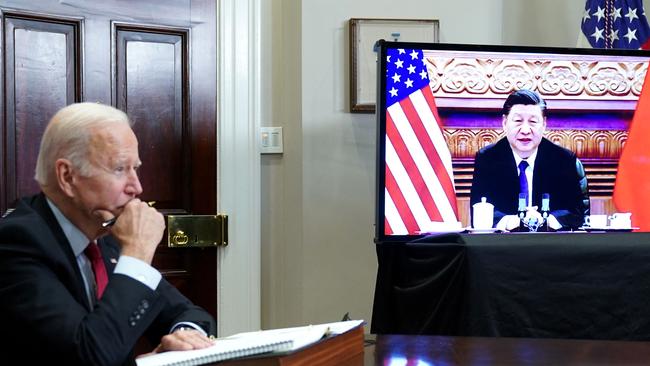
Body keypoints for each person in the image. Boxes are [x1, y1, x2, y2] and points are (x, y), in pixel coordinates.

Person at [0, 103, 216, 365]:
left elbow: (190, 314)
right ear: (67, 176)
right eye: (119, 169)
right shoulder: (17, 243)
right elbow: (90, 356)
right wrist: (137, 252)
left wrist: (183, 337)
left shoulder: (104, 232)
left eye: (135, 168)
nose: (137, 187)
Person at [470, 89, 589, 231]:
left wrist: (545, 220)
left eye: (533, 121)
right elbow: (479, 210)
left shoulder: (563, 160)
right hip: (503, 245)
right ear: (504, 122)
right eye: (518, 121)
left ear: (544, 124)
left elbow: (576, 212)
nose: (525, 130)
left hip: (552, 245)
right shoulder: (488, 159)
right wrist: (511, 221)